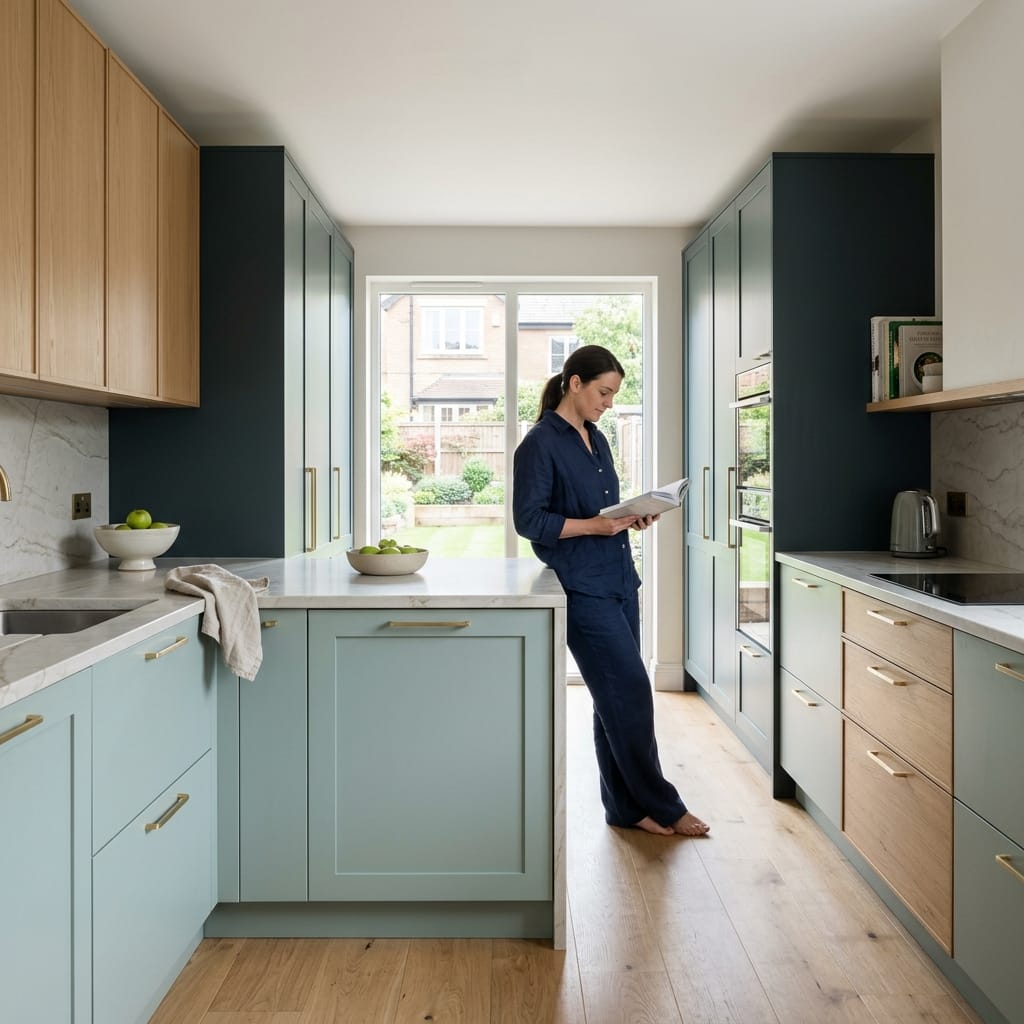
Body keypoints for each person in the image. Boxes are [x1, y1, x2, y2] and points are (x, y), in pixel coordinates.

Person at [512, 344, 709, 838]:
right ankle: (664, 805)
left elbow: (600, 511)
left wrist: (631, 516)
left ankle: (624, 808)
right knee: (633, 695)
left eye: (614, 394)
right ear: (574, 383)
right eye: (603, 392)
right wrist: (594, 527)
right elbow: (530, 521)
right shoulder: (539, 443)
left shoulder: (596, 439)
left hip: (620, 579)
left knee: (612, 700)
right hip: (583, 588)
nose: (608, 403)